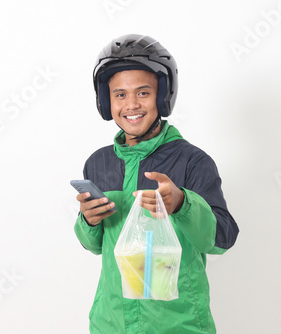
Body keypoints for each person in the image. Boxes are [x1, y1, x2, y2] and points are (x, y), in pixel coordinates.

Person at [74, 34, 239, 333]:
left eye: (143, 93)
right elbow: (94, 246)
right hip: (111, 323)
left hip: (178, 324)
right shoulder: (99, 163)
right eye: (120, 95)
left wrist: (182, 204)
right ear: (105, 100)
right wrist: (89, 220)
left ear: (163, 96)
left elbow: (222, 239)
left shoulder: (192, 161)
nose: (131, 104)